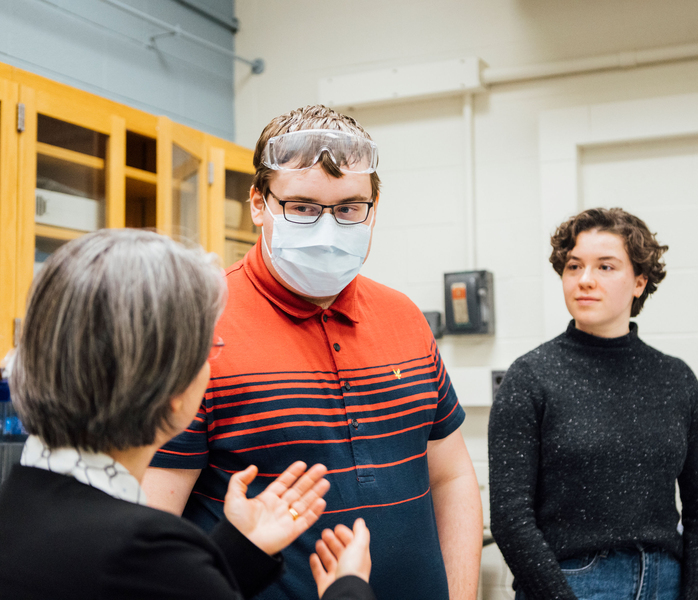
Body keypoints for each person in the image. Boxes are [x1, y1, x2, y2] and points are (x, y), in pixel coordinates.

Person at [143, 106, 483, 600]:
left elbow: (451, 477)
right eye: (302, 207)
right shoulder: (196, 324)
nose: (328, 230)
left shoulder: (404, 316)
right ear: (258, 203)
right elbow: (153, 529)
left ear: (373, 207)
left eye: (348, 208)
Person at [0, 229, 376, 600]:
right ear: (170, 392)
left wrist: (238, 550)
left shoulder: (20, 509)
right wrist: (348, 589)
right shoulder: (145, 554)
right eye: (209, 349)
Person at [488, 208, 698, 600]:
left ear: (639, 282)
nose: (584, 279)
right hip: (571, 582)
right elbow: (510, 518)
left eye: (605, 267)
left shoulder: (676, 379)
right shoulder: (530, 377)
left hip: (666, 581)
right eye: (574, 266)